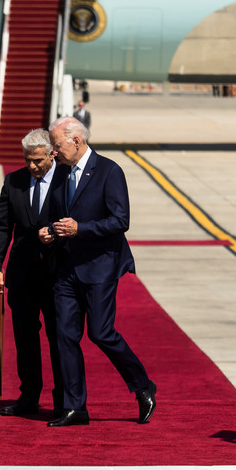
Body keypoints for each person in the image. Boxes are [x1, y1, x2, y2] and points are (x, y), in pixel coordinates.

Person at [41, 116, 155, 427]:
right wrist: (50, 231)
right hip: (67, 267)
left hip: (101, 265)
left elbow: (120, 221)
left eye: (57, 145)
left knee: (100, 333)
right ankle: (75, 406)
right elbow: (55, 215)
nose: (54, 152)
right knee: (64, 335)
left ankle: (143, 385)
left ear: (76, 141)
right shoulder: (61, 174)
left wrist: (81, 229)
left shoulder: (108, 171)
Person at [0, 128, 63, 417]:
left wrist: (55, 235)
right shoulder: (14, 181)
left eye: (38, 161)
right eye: (28, 160)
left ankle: (63, 399)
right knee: (25, 339)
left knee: (59, 338)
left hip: (56, 275)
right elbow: (2, 227)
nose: (32, 166)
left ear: (52, 154)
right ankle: (29, 396)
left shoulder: (66, 180)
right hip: (21, 275)